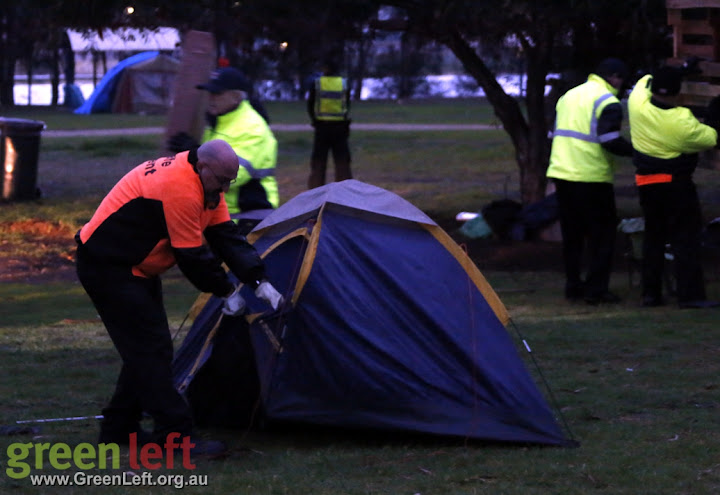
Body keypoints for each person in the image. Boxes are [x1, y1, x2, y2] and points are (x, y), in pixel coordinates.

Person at [75, 140, 284, 451]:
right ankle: (176, 436)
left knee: (145, 349)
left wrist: (258, 279)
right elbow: (191, 256)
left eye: (231, 181)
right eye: (222, 180)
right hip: (108, 265)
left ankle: (119, 429)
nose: (226, 188)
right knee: (152, 348)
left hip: (134, 267)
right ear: (203, 168)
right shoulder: (179, 188)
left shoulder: (208, 187)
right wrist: (225, 291)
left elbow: (225, 236)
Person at [627, 66, 719, 309]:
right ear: (678, 93)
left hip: (647, 183)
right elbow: (711, 137)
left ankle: (651, 294)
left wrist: (679, 70)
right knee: (685, 238)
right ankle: (690, 296)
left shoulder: (637, 104)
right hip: (675, 184)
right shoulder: (682, 122)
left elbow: (645, 78)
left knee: (653, 238)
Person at [546, 58, 634, 304]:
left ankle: (573, 285)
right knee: (602, 236)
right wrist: (638, 152)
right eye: (622, 80)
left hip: (563, 174)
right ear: (615, 77)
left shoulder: (569, 96)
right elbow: (610, 140)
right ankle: (596, 289)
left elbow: (553, 133)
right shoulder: (608, 101)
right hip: (592, 177)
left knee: (572, 236)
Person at [168, 67, 279, 217]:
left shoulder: (252, 128)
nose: (211, 98)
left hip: (248, 215)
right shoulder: (219, 122)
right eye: (210, 93)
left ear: (236, 97)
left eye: (217, 93)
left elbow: (231, 175)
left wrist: (194, 154)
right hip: (222, 212)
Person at [306, 59, 352, 189]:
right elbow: (347, 105)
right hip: (340, 128)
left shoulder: (317, 84)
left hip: (322, 127)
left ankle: (315, 192)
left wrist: (314, 120)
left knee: (318, 163)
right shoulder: (344, 84)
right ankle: (345, 191)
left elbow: (310, 105)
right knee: (342, 163)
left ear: (325, 68)